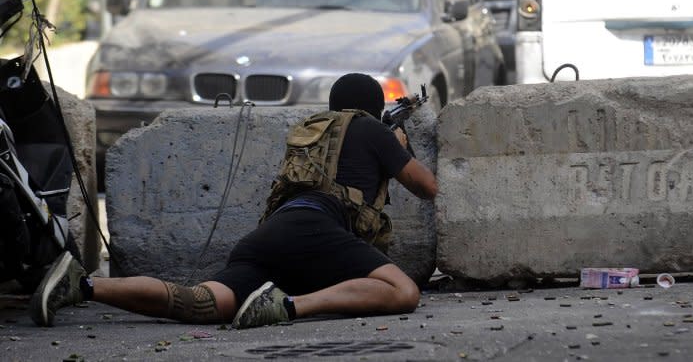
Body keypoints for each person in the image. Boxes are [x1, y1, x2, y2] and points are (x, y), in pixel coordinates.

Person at [30, 73, 438, 328]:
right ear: (370, 108)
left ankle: (82, 285)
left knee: (200, 302)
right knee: (403, 291)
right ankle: (288, 306)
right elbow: (427, 187)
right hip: (319, 229)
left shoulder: (315, 131)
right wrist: (401, 145)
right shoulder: (372, 129)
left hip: (271, 234)